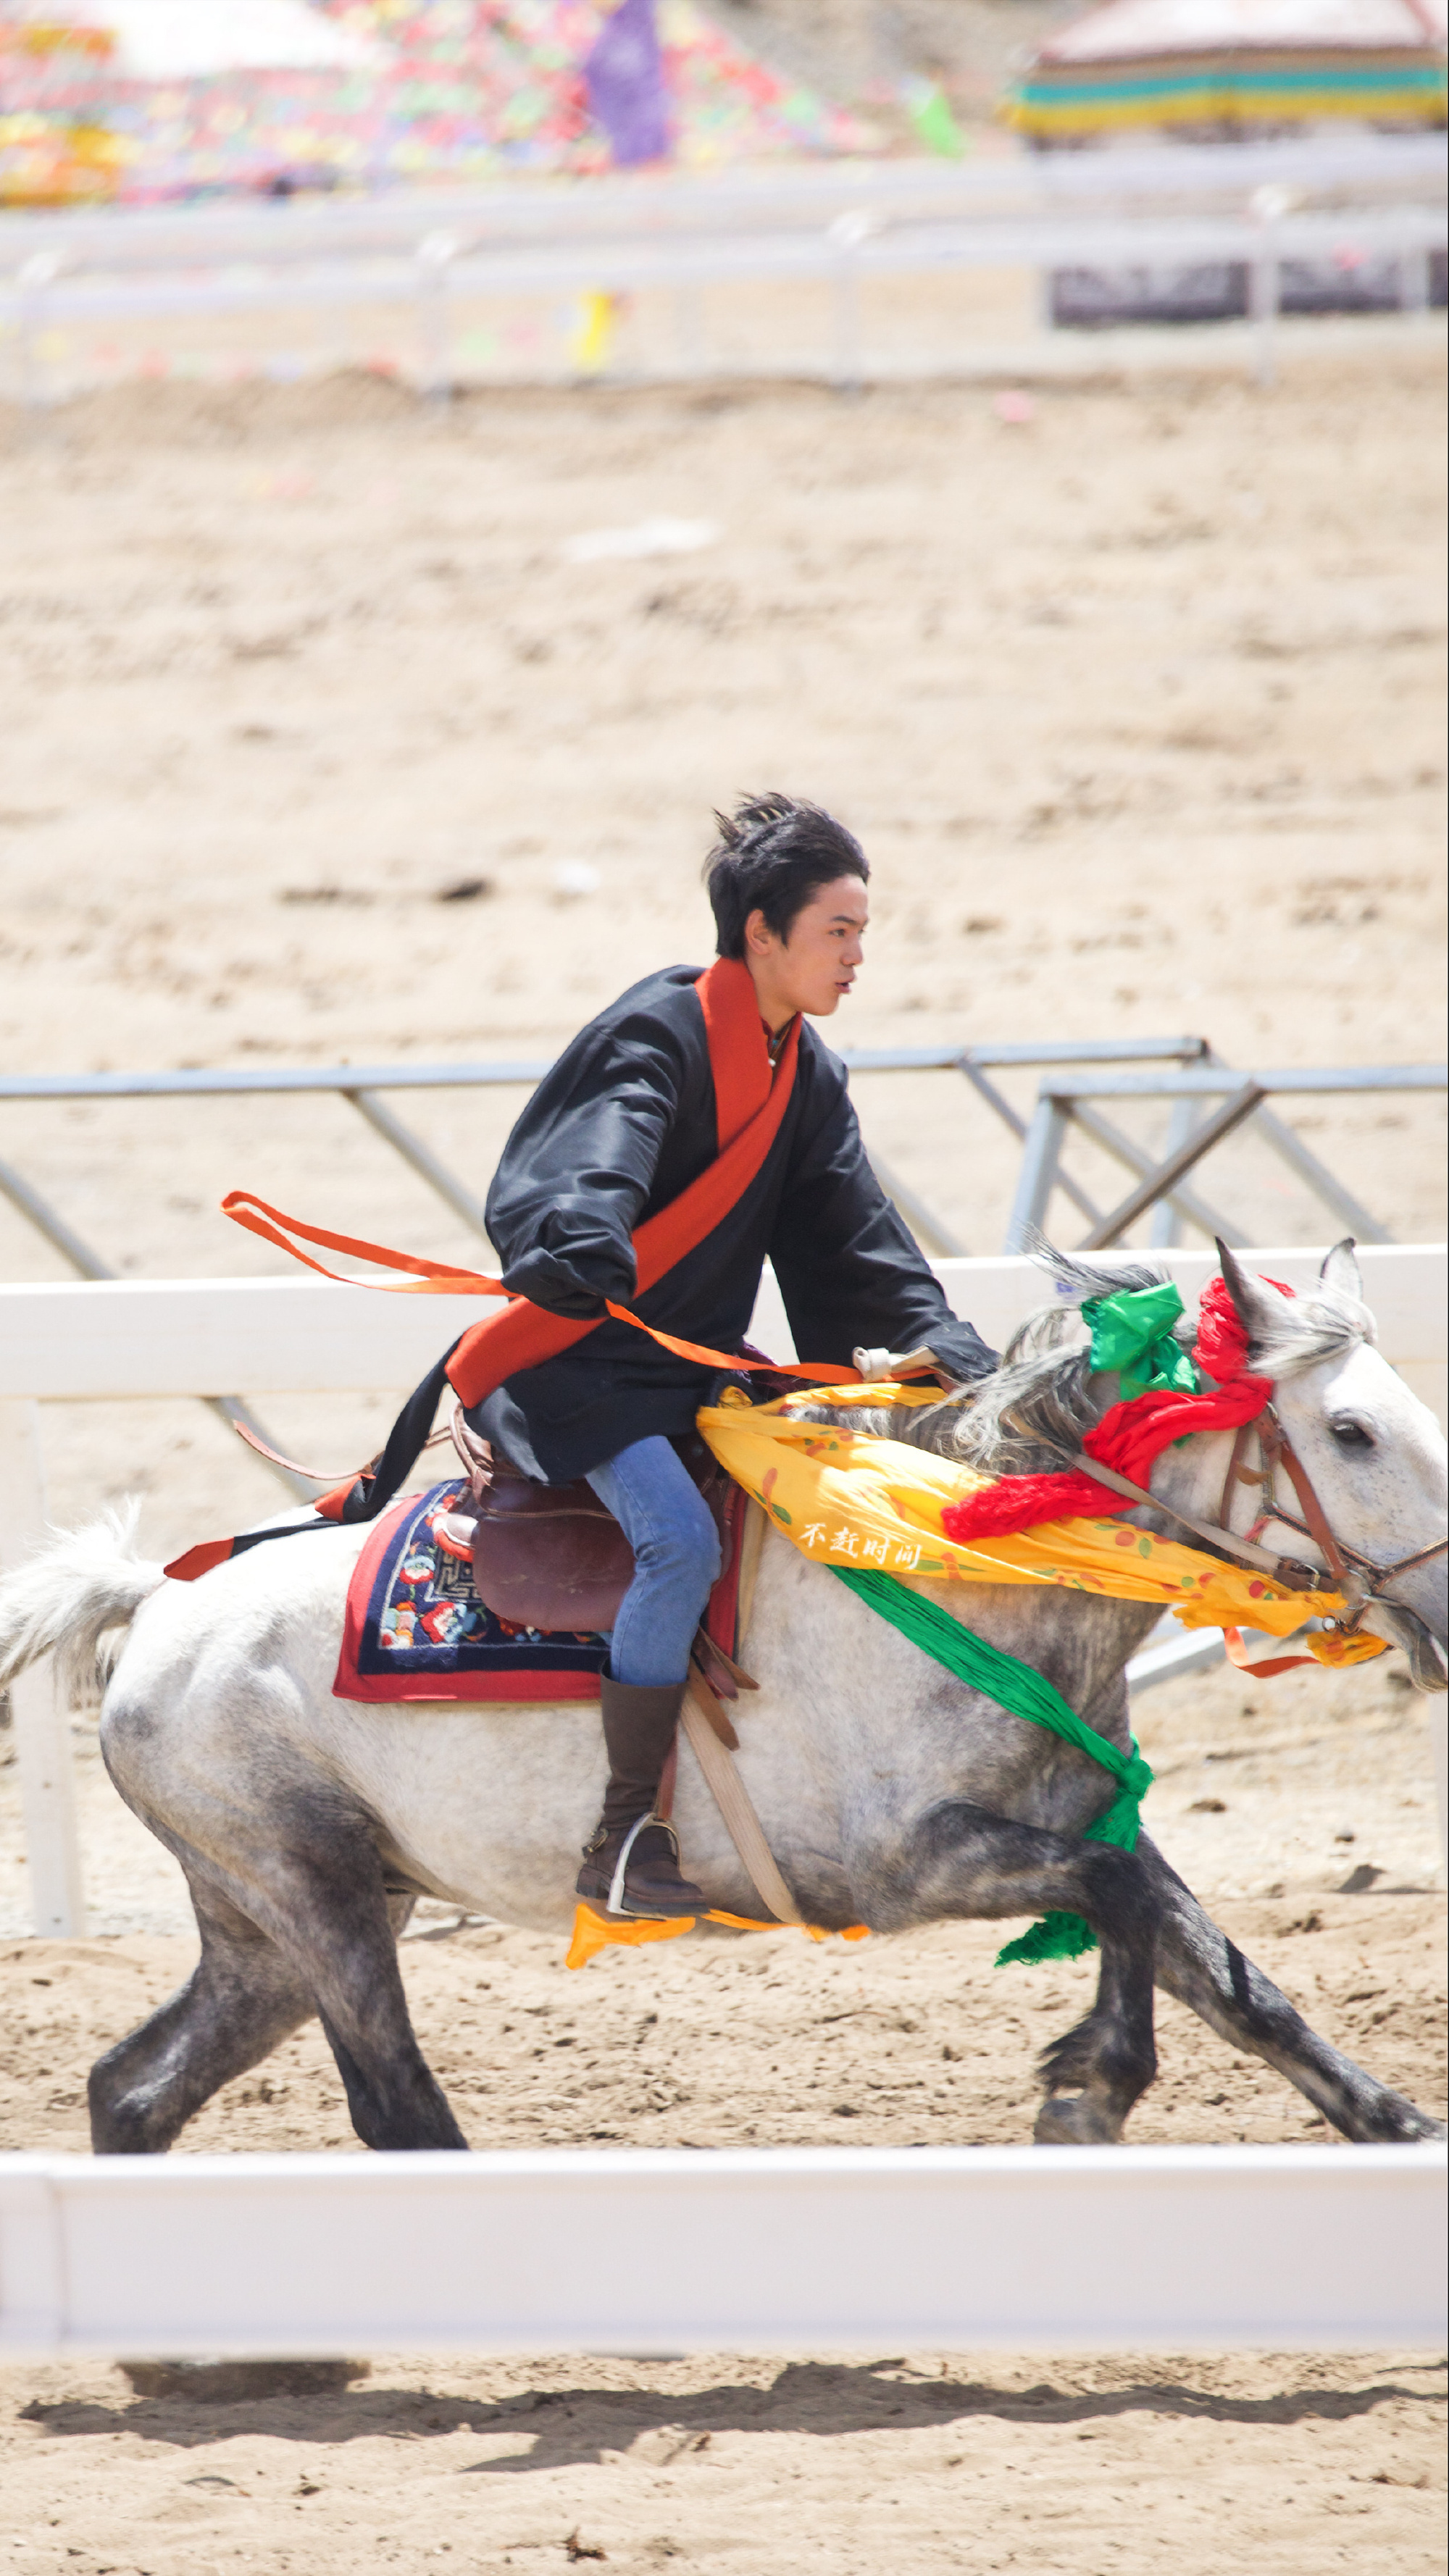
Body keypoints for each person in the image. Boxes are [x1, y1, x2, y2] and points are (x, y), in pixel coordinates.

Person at [475, 793, 997, 1920]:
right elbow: (600, 1146)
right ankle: (624, 1840)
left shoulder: (807, 1074)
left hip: (689, 1367)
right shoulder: (655, 1031)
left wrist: (940, 1345)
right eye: (838, 932)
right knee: (673, 1541)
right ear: (761, 932)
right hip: (583, 1365)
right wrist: (581, 1231)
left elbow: (854, 1237)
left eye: (864, 931)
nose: (859, 956)